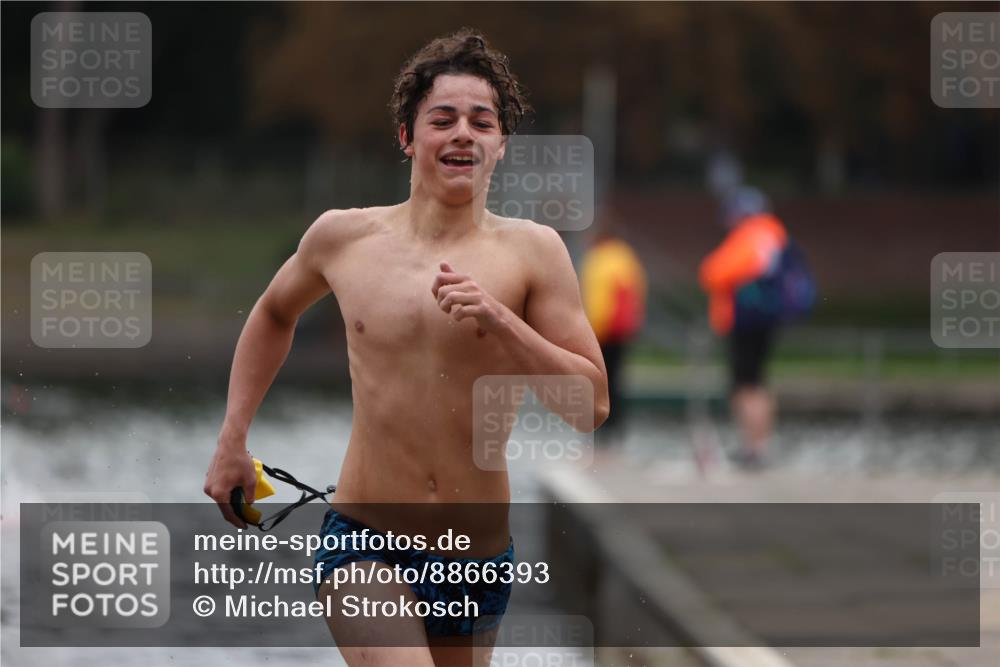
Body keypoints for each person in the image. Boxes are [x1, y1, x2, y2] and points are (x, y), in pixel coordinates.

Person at [203, 29, 609, 667]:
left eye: (482, 122)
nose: (463, 134)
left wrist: (502, 321)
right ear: (407, 136)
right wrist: (232, 439)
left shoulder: (536, 252)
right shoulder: (343, 239)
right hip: (366, 541)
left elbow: (591, 406)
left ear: (501, 146)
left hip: (475, 557)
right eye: (442, 119)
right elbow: (273, 313)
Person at [698, 187, 787, 470]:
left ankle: (755, 447)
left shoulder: (756, 234)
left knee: (747, 384)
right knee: (755, 382)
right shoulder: (772, 235)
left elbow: (716, 271)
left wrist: (714, 272)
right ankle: (756, 445)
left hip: (747, 322)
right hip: (758, 321)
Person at [579, 221, 646, 446]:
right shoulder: (626, 257)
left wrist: (590, 331)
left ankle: (601, 429)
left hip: (602, 331)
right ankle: (616, 428)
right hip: (622, 330)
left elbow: (598, 301)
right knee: (616, 380)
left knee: (599, 381)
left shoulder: (599, 260)